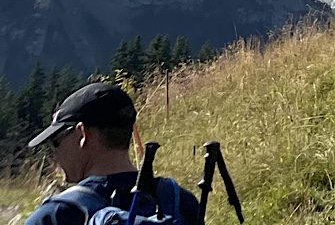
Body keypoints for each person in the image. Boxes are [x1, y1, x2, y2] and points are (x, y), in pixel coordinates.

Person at [23, 81, 203, 225]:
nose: (55, 155)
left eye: (56, 143)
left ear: (82, 134)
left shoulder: (56, 215)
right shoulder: (179, 202)